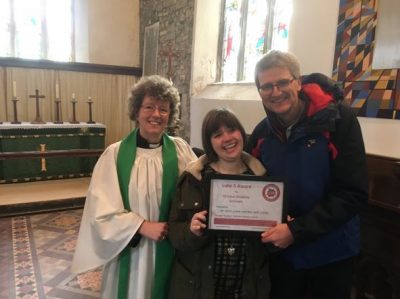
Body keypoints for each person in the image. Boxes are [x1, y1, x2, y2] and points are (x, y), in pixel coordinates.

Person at [247, 50, 368, 299]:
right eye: (266, 86)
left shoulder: (338, 120)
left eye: (282, 82)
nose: (275, 92)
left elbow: (352, 193)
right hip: (284, 256)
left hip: (331, 254)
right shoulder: (262, 133)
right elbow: (251, 188)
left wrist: (296, 230)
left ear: (298, 81)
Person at [71, 75, 197, 299]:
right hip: (129, 250)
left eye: (163, 109)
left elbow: (197, 189)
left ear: (170, 115)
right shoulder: (115, 154)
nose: (156, 114)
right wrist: (140, 226)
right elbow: (100, 212)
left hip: (169, 250)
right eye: (149, 107)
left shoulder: (180, 151)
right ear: (137, 111)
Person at [168, 108, 270, 299]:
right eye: (217, 134)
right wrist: (191, 231)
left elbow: (270, 248)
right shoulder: (192, 179)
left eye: (232, 130)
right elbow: (174, 235)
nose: (227, 138)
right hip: (199, 287)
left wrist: (278, 230)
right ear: (209, 142)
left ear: (241, 132)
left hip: (247, 286)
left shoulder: (263, 180)